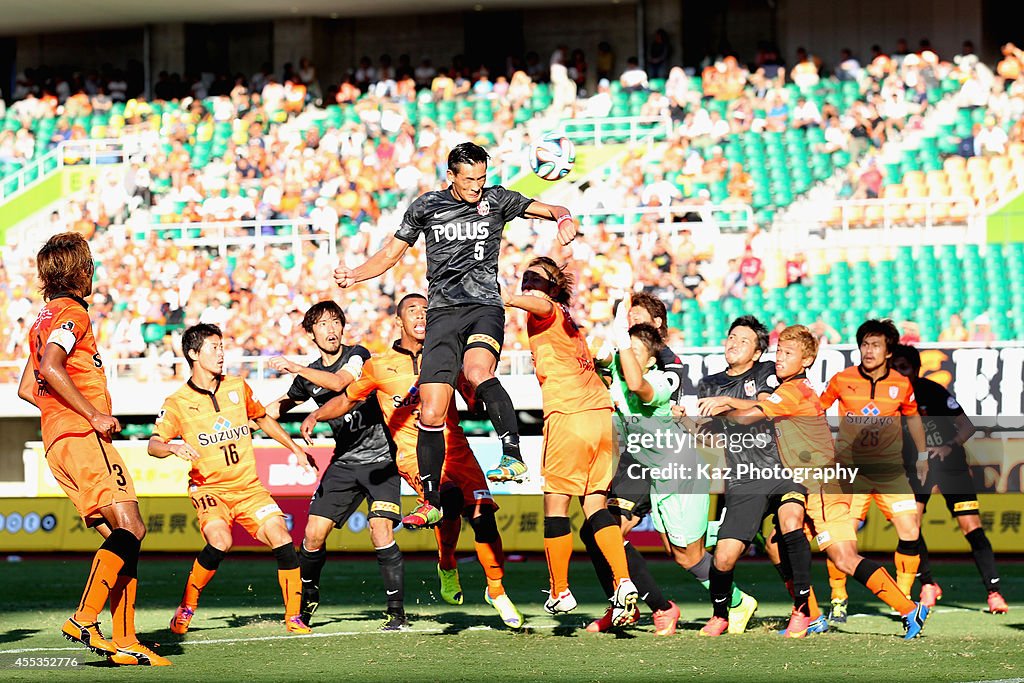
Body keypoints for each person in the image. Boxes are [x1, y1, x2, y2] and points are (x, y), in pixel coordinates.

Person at [334, 141, 576, 529]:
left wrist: (564, 220)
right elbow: (391, 253)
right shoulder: (426, 207)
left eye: (482, 178)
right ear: (451, 176)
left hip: (484, 307)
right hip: (443, 312)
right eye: (469, 180)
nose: (477, 187)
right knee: (431, 410)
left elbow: (554, 209)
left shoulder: (498, 200)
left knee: (478, 371)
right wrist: (356, 274)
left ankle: (511, 455)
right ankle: (429, 501)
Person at [300, 294, 524, 630]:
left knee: (484, 519)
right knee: (446, 497)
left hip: (459, 451)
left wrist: (481, 389)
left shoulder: (449, 355)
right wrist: (317, 413)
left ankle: (496, 590)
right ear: (399, 321)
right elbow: (347, 399)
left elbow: (473, 399)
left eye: (426, 311)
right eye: (412, 311)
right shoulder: (379, 365)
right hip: (415, 456)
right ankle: (448, 563)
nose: (421, 316)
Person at [719, 325, 930, 639]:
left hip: (824, 487)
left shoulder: (792, 390)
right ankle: (811, 614)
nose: (779, 359)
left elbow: (748, 416)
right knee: (779, 542)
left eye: (788, 354)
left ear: (805, 361)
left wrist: (721, 402)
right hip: (814, 484)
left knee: (843, 558)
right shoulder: (795, 389)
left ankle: (907, 607)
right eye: (779, 352)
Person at [18, 233, 169, 667]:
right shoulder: (72, 313)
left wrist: (59, 408)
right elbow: (50, 366)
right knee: (133, 526)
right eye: (90, 265)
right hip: (83, 436)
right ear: (80, 271)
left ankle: (125, 639)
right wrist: (91, 414)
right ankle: (85, 618)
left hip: (57, 442)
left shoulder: (41, 319)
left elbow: (30, 387)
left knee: (123, 540)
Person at [149, 324, 317, 636]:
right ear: (193, 354)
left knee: (282, 537)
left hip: (249, 489)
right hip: (210, 489)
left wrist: (295, 448)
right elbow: (153, 444)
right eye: (214, 347)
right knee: (220, 541)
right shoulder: (177, 402)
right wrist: (172, 447)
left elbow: (263, 418)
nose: (222, 353)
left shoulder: (237, 387)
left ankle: (293, 617)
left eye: (222, 346)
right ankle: (186, 607)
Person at [502, 258, 638, 625]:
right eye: (525, 276)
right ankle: (623, 581)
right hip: (600, 417)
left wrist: (507, 298)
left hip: (569, 416)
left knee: (556, 507)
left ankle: (560, 590)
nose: (528, 281)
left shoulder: (545, 310)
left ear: (552, 286)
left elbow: (540, 305)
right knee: (595, 505)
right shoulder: (567, 318)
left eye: (536, 277)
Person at [264, 301, 407, 631]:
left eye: (335, 322)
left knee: (380, 529)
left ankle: (396, 612)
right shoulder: (308, 374)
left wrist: (295, 366)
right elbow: (277, 407)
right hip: (344, 463)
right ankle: (308, 598)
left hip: (381, 460)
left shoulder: (358, 354)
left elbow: (341, 384)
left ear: (343, 327)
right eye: (323, 324)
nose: (331, 329)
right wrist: (246, 417)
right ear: (311, 333)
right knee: (312, 536)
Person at [694, 317, 822, 637]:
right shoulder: (709, 383)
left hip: (782, 468)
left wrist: (724, 406)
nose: (733, 343)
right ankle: (721, 614)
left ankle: (802, 610)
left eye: (743, 340)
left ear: (757, 351)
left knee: (791, 523)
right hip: (744, 477)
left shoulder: (768, 372)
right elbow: (711, 432)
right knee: (723, 558)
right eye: (731, 336)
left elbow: (762, 408)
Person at [577, 292, 684, 633]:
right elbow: (598, 356)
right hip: (626, 456)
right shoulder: (624, 352)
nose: (630, 323)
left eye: (636, 319)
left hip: (654, 459)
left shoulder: (668, 363)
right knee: (594, 530)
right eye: (628, 317)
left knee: (681, 549)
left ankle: (661, 606)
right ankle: (623, 604)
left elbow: (647, 389)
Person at [818, 319, 928, 623]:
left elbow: (914, 418)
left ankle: (902, 596)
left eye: (876, 345)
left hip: (890, 471)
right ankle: (838, 598)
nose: (869, 350)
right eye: (865, 344)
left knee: (910, 529)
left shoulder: (901, 384)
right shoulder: (842, 379)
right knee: (844, 536)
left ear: (888, 350)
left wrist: (921, 454)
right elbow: (817, 410)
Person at [891, 345, 1009, 614]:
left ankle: (994, 592)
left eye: (904, 367)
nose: (899, 373)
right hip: (916, 469)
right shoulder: (891, 398)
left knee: (971, 527)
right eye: (895, 367)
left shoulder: (932, 391)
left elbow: (967, 425)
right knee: (911, 526)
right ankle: (928, 583)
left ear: (916, 369)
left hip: (950, 465)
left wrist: (948, 446)